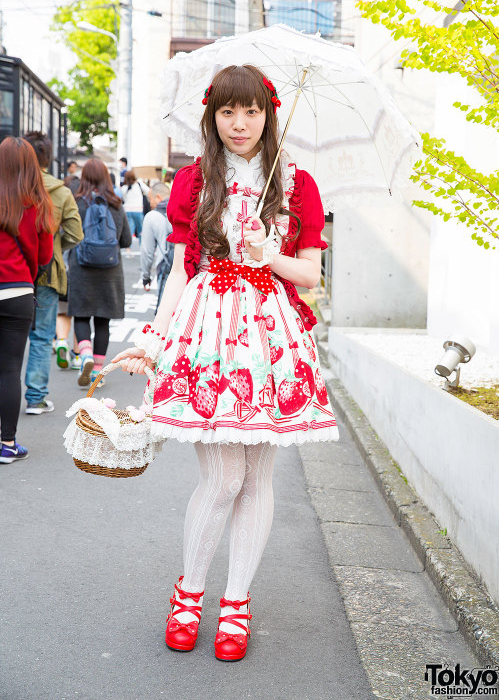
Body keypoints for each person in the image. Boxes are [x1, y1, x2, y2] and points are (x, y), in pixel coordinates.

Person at [113, 65, 339, 661]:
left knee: (258, 479)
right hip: (206, 330)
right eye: (227, 113)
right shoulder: (194, 182)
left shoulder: (296, 185)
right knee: (223, 478)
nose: (240, 125)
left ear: (269, 115)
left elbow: (310, 275)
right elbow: (180, 272)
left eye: (252, 112)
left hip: (269, 337)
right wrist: (155, 338)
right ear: (212, 118)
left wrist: (270, 254)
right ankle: (188, 593)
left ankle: (235, 604)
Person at [0, 137, 54, 462]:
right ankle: (7, 444)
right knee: (8, 370)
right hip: (18, 291)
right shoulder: (37, 203)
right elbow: (45, 256)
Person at [22, 131, 83, 413]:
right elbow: (75, 233)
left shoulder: (10, 185)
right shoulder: (59, 191)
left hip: (11, 271)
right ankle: (35, 398)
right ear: (48, 157)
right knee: (42, 335)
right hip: (47, 271)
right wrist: (56, 246)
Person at [68, 158, 132, 387]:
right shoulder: (116, 204)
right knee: (103, 321)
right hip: (110, 271)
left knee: (82, 315)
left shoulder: (76, 203)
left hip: (81, 268)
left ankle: (84, 353)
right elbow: (125, 239)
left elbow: (70, 236)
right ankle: (96, 373)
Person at [140, 181, 173, 312]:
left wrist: (145, 277)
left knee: (164, 314)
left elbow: (147, 252)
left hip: (166, 268)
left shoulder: (152, 216)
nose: (150, 203)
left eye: (150, 199)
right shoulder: (183, 209)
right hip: (189, 270)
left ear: (158, 197)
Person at [121, 170, 147, 243]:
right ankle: (141, 246)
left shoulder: (124, 188)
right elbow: (149, 191)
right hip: (138, 210)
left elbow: (123, 199)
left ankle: (128, 250)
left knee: (129, 231)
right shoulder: (139, 185)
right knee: (141, 231)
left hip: (127, 210)